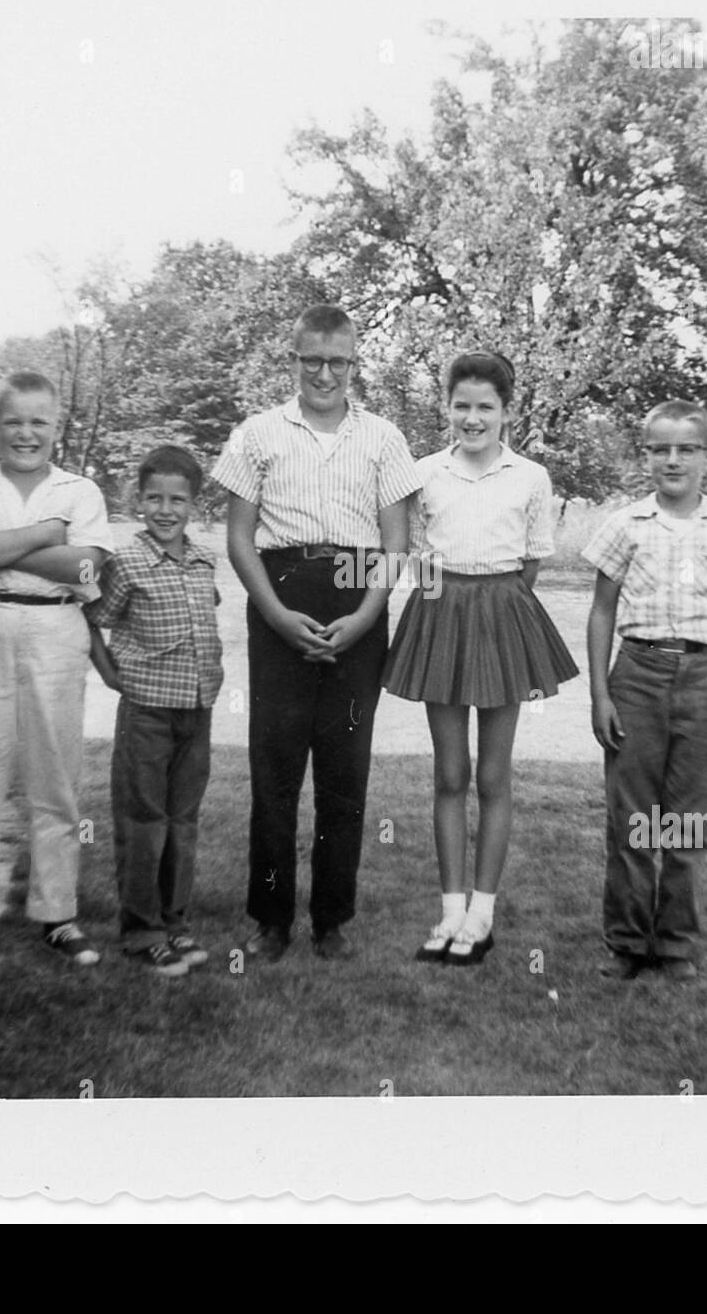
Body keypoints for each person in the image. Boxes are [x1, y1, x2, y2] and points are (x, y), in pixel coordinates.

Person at [211, 304, 419, 962]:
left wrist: (363, 618)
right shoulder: (256, 435)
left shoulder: (385, 438)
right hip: (281, 598)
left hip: (358, 599)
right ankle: (269, 919)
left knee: (343, 772)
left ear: (355, 364)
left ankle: (332, 920)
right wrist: (274, 613)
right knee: (274, 770)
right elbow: (239, 538)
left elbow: (396, 543)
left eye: (338, 362)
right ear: (294, 360)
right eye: (311, 361)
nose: (325, 374)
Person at [381, 352, 578, 965]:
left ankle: (482, 915)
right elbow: (414, 555)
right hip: (440, 614)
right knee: (448, 774)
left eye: (485, 407)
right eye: (461, 405)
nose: (472, 418)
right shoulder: (424, 473)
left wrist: (497, 609)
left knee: (493, 776)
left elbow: (531, 562)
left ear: (506, 411)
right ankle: (449, 911)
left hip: (501, 615)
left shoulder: (530, 476)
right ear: (447, 408)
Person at [0, 371, 114, 973]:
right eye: (14, 421)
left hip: (56, 634)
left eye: (38, 421)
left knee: (55, 783)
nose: (26, 433)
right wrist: (43, 536)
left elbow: (86, 570)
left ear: (55, 426)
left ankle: (57, 915)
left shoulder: (79, 491)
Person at [583, 400, 707, 982]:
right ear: (645, 456)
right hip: (637, 675)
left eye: (686, 449)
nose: (673, 460)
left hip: (706, 678)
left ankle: (677, 943)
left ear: (706, 457)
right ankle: (627, 941)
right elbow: (600, 613)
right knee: (632, 818)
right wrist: (600, 695)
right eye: (660, 449)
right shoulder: (624, 525)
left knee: (689, 822)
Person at [85, 446, 224, 978]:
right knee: (145, 820)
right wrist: (106, 670)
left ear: (193, 504)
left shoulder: (204, 560)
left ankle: (174, 921)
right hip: (146, 710)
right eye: (154, 498)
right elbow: (92, 618)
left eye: (178, 499)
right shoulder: (126, 563)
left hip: (197, 708)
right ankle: (142, 931)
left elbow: (203, 613)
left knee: (182, 821)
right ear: (138, 501)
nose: (165, 509)